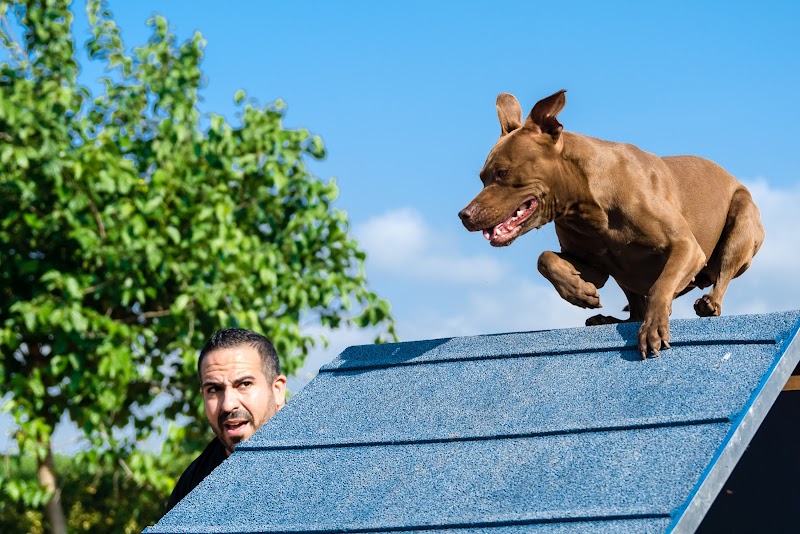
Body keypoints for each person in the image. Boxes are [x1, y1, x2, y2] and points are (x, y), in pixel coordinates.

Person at [165, 328, 287, 512]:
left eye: (244, 384)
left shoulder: (324, 459)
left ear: (277, 390)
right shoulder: (194, 486)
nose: (228, 405)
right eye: (214, 389)